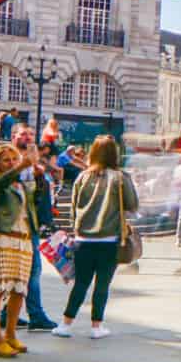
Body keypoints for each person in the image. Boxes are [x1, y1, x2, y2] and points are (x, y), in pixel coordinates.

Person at [56, 136, 134, 340]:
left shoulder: (82, 177)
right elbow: (132, 203)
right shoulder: (120, 177)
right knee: (102, 285)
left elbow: (73, 208)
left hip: (83, 239)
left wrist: (77, 229)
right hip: (109, 240)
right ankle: (96, 326)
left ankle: (65, 324)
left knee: (80, 283)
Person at [0, 145, 36, 357]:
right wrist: (21, 166)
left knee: (19, 289)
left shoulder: (20, 183)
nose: (12, 163)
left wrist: (38, 179)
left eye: (15, 159)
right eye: (6, 160)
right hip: (3, 239)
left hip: (24, 240)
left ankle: (11, 334)